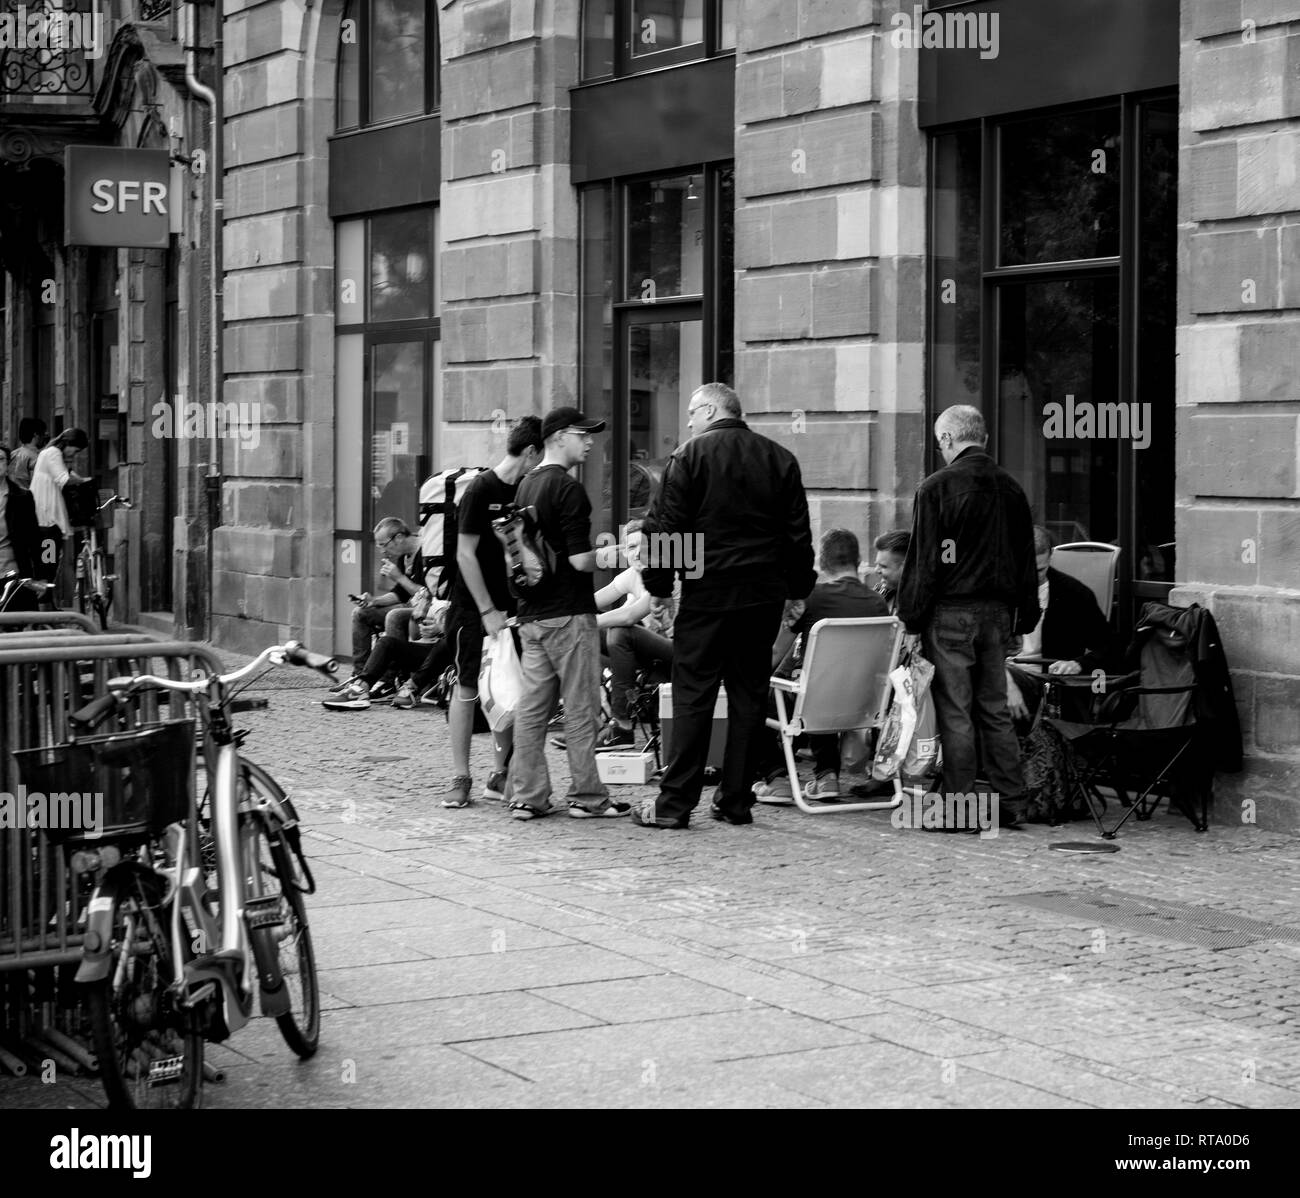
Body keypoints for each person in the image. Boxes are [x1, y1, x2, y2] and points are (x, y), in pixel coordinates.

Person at [633, 382, 816, 830]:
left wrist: (659, 586)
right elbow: (797, 535)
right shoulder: (779, 458)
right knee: (748, 696)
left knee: (694, 695)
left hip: (709, 591)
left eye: (693, 413)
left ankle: (675, 804)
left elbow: (668, 527)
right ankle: (736, 800)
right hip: (762, 595)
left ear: (713, 410)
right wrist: (796, 590)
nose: (690, 422)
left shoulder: (691, 456)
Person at [897, 404, 1039, 827]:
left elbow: (923, 564)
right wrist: (1024, 618)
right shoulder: (1011, 489)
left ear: (946, 440)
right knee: (993, 709)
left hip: (951, 613)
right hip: (997, 613)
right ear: (985, 438)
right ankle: (1012, 802)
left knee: (956, 711)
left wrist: (910, 619)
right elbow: (1025, 560)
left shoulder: (936, 487)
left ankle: (958, 807)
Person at [506, 406, 629, 821]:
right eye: (584, 434)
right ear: (559, 437)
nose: (591, 441)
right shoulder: (568, 489)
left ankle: (528, 796)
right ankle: (587, 797)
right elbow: (579, 561)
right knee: (580, 709)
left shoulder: (526, 485)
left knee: (533, 709)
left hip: (531, 616)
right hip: (569, 614)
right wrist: (616, 554)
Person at [441, 415, 543, 809]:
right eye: (541, 455)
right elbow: (464, 554)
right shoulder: (481, 488)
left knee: (510, 689)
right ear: (530, 451)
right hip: (474, 608)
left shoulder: (527, 489)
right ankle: (460, 775)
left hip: (515, 606)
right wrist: (486, 610)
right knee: (467, 688)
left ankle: (500, 773)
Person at [753, 528, 889, 804]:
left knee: (758, 694)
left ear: (822, 561)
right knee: (818, 677)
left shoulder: (809, 597)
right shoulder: (878, 602)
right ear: (858, 558)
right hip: (863, 703)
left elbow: (777, 649)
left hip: (815, 699)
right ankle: (826, 776)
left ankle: (777, 777)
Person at [1005, 526, 1114, 724]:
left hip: (1044, 683)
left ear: (1051, 556)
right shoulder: (996, 590)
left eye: (1039, 570)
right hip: (1000, 675)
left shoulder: (1074, 594)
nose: (1031, 576)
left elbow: (1108, 647)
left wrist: (1078, 663)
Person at [331, 517, 429, 701]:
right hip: (410, 606)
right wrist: (373, 601)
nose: (383, 550)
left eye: (384, 544)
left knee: (394, 615)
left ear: (399, 537)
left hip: (427, 610)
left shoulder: (426, 553)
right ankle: (360, 676)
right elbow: (399, 594)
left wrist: (398, 576)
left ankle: (388, 680)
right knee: (361, 613)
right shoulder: (404, 557)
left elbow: (427, 593)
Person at [30, 427, 90, 594]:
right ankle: (43, 606)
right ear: (69, 443)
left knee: (49, 564)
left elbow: (67, 475)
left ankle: (46, 605)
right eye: (75, 450)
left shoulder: (52, 454)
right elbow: (64, 479)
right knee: (47, 564)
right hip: (47, 522)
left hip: (47, 521)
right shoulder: (53, 453)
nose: (74, 454)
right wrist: (86, 481)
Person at [0, 445, 39, 608]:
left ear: (8, 464)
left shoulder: (23, 497)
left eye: (1, 459)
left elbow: (42, 540)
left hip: (13, 574)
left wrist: (45, 574)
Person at [869, 529, 910, 614]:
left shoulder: (921, 602)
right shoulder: (880, 593)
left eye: (883, 566)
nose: (877, 570)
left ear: (905, 567)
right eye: (877, 564)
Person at [9, 417, 47, 491]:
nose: (44, 438)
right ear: (36, 435)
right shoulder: (36, 457)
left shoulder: (13, 454)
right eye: (43, 434)